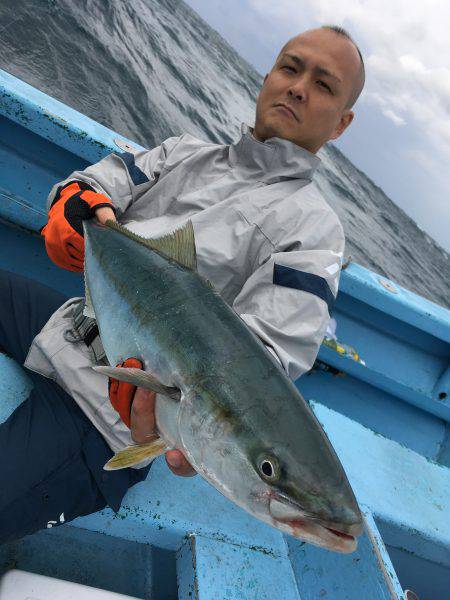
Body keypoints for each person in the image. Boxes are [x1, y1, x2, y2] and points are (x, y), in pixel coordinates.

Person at [0, 25, 365, 543]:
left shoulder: (315, 233)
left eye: (324, 85)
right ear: (267, 77)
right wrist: (74, 199)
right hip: (65, 324)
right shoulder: (184, 152)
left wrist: (190, 433)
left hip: (101, 417)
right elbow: (103, 183)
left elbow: (263, 359)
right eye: (290, 67)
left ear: (342, 124)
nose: (298, 87)